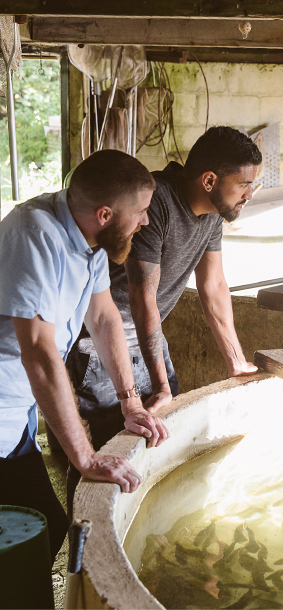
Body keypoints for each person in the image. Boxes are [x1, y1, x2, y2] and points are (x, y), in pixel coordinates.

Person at [66, 126, 262, 510]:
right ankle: (85, 539)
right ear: (209, 180)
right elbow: (143, 300)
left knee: (161, 437)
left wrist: (236, 362)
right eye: (244, 185)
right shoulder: (155, 203)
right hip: (102, 346)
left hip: (150, 340)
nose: (249, 195)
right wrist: (161, 385)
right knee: (111, 453)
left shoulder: (211, 215)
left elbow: (214, 287)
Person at [0, 150, 169, 564]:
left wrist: (130, 401)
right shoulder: (35, 234)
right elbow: (39, 355)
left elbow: (104, 317)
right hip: (3, 398)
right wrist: (85, 457)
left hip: (16, 407)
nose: (146, 221)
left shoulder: (92, 240)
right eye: (142, 211)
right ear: (106, 213)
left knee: (42, 526)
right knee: (30, 531)